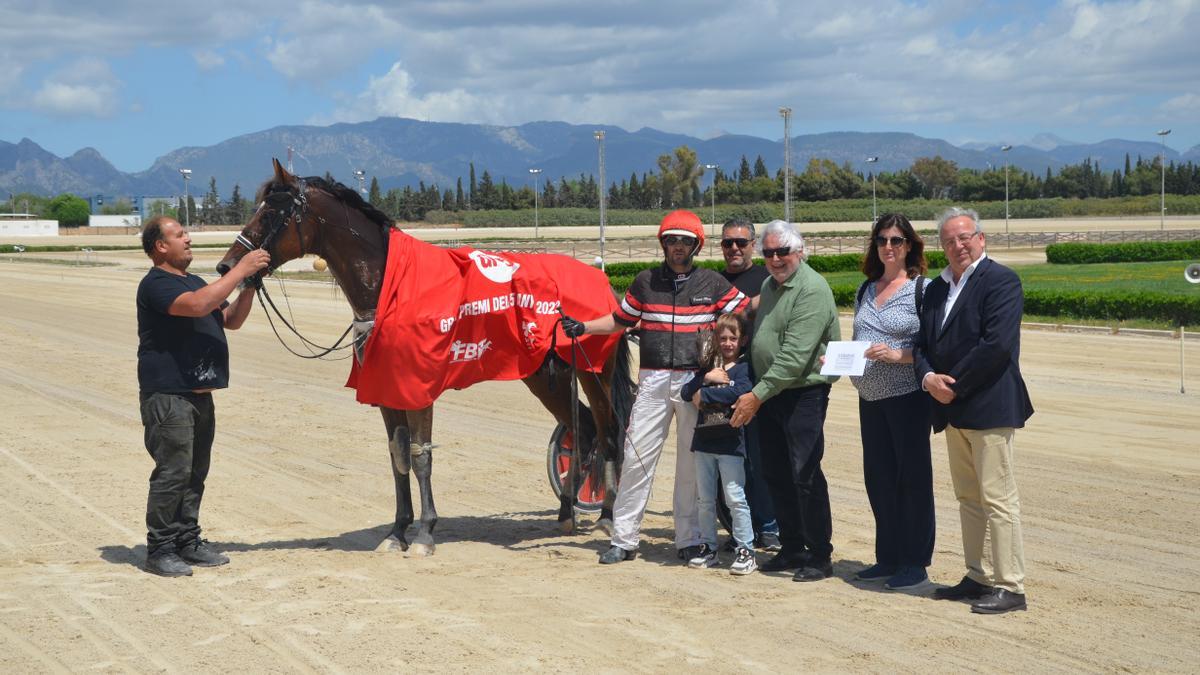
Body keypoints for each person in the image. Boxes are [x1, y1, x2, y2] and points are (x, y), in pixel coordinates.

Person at [561, 210, 749, 565]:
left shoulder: (712, 283)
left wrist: (730, 365)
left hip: (696, 382)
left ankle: (689, 539)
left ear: (696, 245)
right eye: (672, 240)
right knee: (636, 459)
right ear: (663, 243)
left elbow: (746, 311)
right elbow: (620, 320)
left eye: (685, 241)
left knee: (691, 465)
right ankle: (624, 539)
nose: (678, 247)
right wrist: (583, 327)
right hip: (652, 381)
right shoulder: (645, 282)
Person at [913, 207, 1034, 614]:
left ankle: (1010, 585)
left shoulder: (1001, 281)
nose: (958, 245)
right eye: (949, 240)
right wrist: (929, 378)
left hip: (989, 406)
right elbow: (922, 345)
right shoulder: (935, 289)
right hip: (952, 409)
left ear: (981, 239)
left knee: (998, 498)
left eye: (965, 237)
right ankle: (978, 575)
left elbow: (996, 346)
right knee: (968, 497)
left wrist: (954, 386)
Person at [136, 215, 270, 577]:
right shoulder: (156, 285)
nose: (188, 238)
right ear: (161, 246)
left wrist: (250, 286)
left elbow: (230, 320)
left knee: (195, 473)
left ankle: (187, 540)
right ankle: (160, 548)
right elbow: (196, 305)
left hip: (199, 394)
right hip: (169, 395)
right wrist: (240, 269)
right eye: (180, 235)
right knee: (172, 473)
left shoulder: (195, 282)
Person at [730, 220, 840, 582]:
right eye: (769, 253)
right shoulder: (770, 284)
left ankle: (819, 553)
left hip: (801, 393)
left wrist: (755, 396)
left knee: (805, 473)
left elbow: (795, 356)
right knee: (775, 473)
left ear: (800, 251)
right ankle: (792, 546)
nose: (776, 259)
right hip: (771, 392)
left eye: (783, 252)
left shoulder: (812, 289)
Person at [848, 214, 936, 591]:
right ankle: (888, 556)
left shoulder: (923, 290)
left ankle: (914, 562)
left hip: (907, 398)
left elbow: (933, 346)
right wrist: (840, 358)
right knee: (879, 479)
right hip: (870, 399)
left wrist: (899, 356)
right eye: (882, 239)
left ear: (910, 246)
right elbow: (858, 337)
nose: (888, 246)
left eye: (897, 240)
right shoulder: (866, 288)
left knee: (912, 481)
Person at [718, 219, 780, 551]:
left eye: (741, 242)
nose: (735, 249)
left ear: (753, 245)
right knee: (731, 462)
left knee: (759, 459)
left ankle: (769, 526)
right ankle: (743, 527)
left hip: (759, 383)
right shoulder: (713, 283)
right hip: (724, 384)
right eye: (728, 243)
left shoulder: (768, 280)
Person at [680, 313, 756, 575]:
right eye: (722, 338)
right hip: (704, 442)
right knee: (705, 499)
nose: (727, 343)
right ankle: (708, 546)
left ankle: (746, 548)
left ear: (742, 340)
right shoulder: (709, 369)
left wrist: (706, 394)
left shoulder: (745, 369)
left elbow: (740, 392)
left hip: (731, 443)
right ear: (715, 339)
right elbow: (686, 392)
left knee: (735, 497)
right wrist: (706, 381)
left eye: (733, 338)